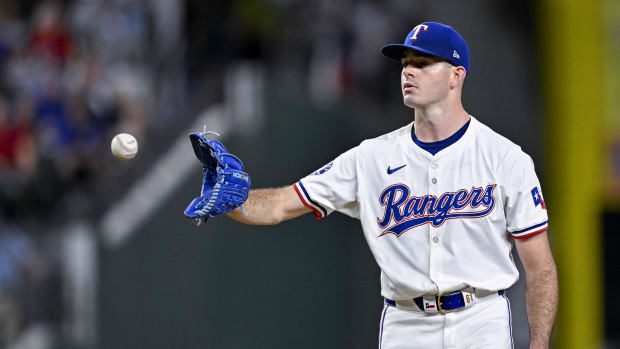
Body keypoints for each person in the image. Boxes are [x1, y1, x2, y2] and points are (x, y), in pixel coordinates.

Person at [188, 21, 558, 349]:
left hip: (482, 320)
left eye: (423, 63)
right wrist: (237, 203)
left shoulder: (505, 158)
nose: (408, 72)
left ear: (456, 76)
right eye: (406, 63)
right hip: (406, 325)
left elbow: (540, 267)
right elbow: (284, 203)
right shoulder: (371, 158)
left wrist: (539, 344)